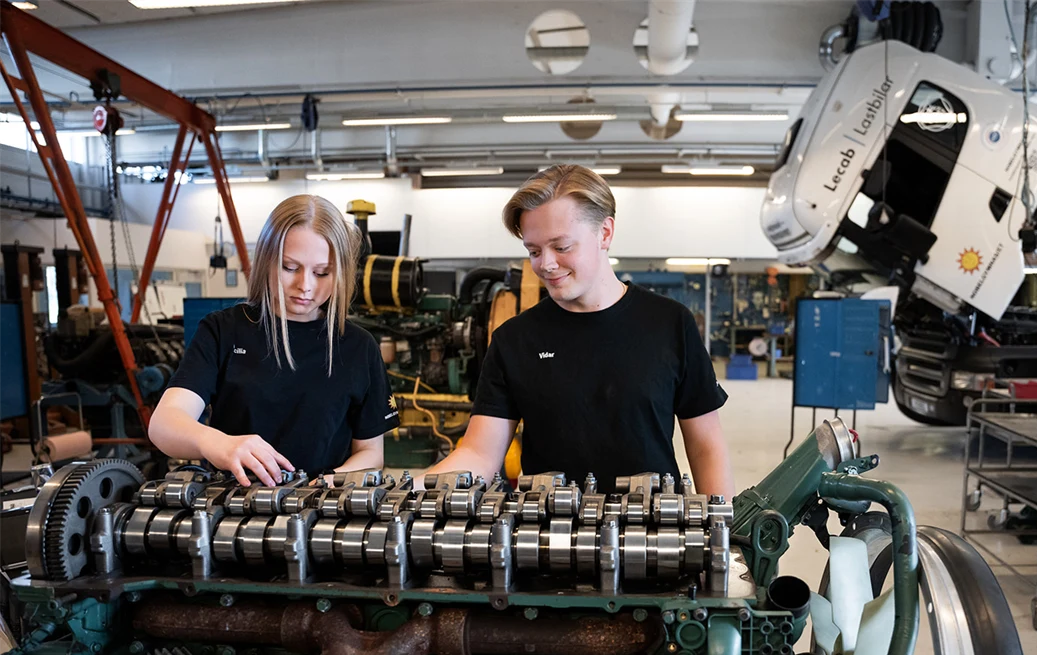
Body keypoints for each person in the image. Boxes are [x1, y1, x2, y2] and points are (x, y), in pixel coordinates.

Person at [427, 165, 734, 496]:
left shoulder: (671, 324)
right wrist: (404, 490)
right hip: (546, 538)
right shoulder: (514, 340)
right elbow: (478, 454)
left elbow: (706, 445)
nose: (545, 264)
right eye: (533, 250)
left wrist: (723, 532)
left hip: (650, 536)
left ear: (604, 233)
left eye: (560, 247)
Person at [148, 194, 397, 486]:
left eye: (322, 272)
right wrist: (217, 443)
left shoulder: (359, 347)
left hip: (324, 515)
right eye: (290, 267)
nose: (305, 286)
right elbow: (164, 423)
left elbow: (370, 452)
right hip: (232, 511)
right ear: (266, 260)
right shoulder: (224, 331)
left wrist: (328, 484)